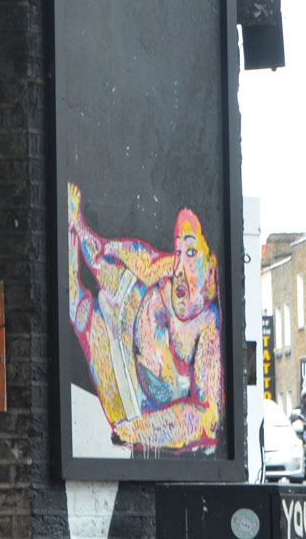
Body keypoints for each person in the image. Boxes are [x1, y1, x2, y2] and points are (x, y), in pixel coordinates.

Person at [65, 182, 222, 452]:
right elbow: (116, 260)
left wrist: (137, 430)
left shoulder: (208, 325)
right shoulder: (163, 280)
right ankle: (72, 235)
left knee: (83, 309)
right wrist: (79, 225)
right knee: (106, 284)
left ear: (211, 269)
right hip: (126, 350)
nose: (180, 266)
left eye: (191, 252)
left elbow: (208, 418)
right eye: (178, 251)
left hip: (135, 410)